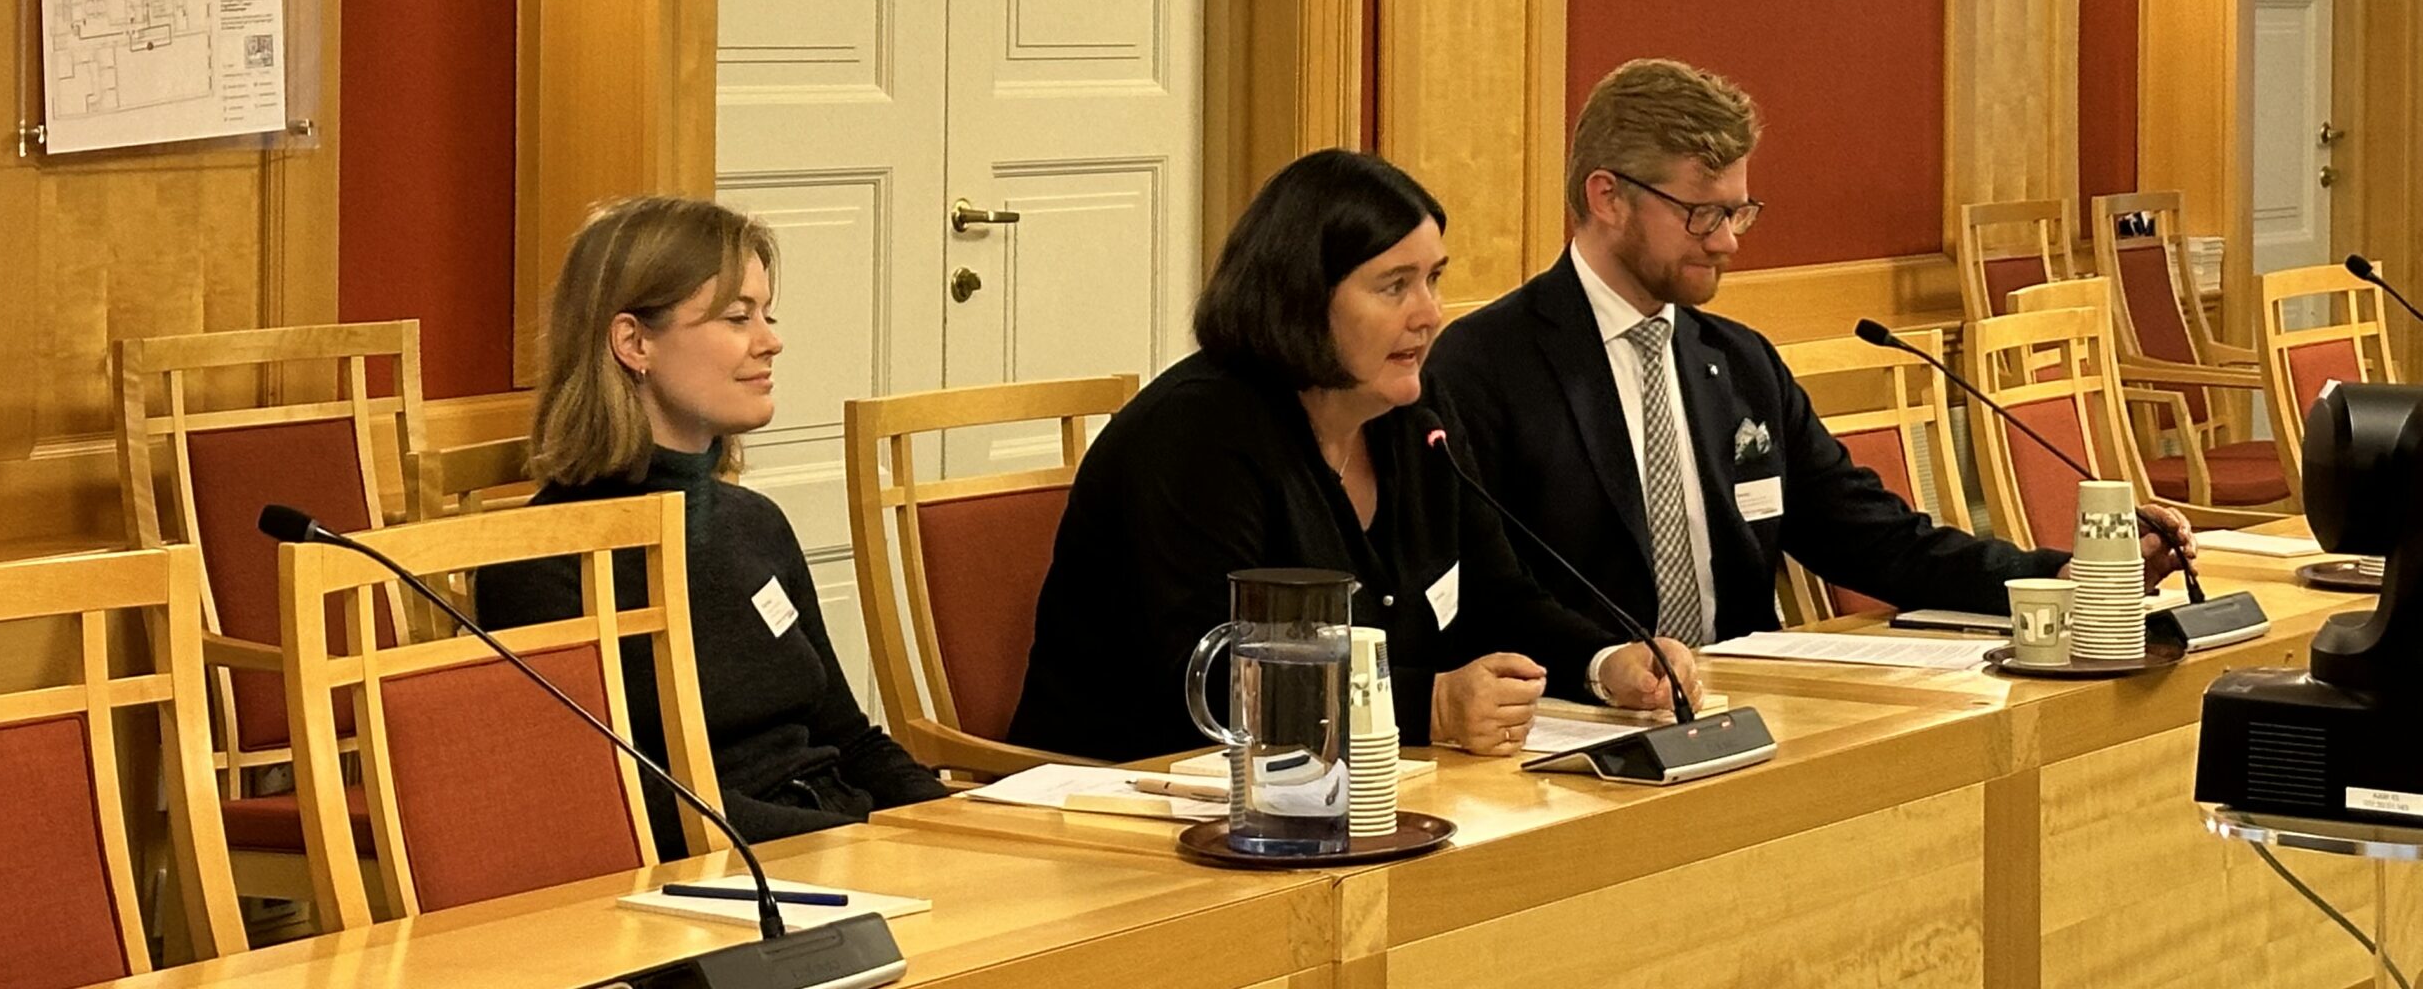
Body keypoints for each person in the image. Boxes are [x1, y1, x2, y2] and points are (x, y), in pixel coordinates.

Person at [1426, 58, 2195, 682]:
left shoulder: (1739, 361)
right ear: (1608, 197)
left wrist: (2058, 577)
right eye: (1703, 213)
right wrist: (1602, 665)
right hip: (1574, 724)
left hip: (1747, 708)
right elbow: (1489, 592)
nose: (1728, 241)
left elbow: (1871, 537)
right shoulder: (1487, 367)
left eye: (1740, 211)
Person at [1009, 149, 1697, 766]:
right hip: (1139, 798)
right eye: (1394, 286)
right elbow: (1215, 676)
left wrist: (1609, 663)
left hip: (1353, 791)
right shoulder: (1195, 437)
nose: (1428, 313)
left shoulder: (1413, 420)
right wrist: (1425, 707)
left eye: (1433, 279)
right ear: (1302, 298)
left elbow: (1499, 597)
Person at [476, 196, 947, 847]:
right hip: (725, 877)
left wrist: (958, 821)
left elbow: (849, 737)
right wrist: (858, 842)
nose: (771, 341)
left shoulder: (755, 524)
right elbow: (631, 802)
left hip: (837, 839)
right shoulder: (544, 564)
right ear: (634, 341)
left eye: (767, 314)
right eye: (737, 317)